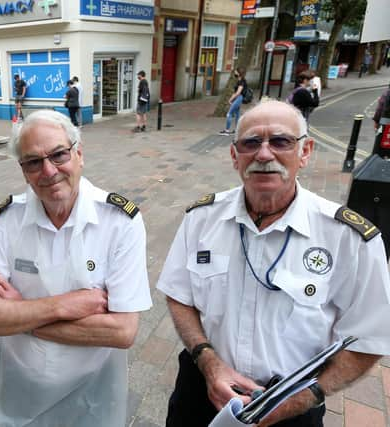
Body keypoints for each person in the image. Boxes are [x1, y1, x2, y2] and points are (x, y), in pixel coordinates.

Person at [156, 100, 390, 427]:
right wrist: (208, 361)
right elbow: (180, 295)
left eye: (281, 142)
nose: (264, 155)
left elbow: (368, 339)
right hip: (202, 387)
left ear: (305, 151)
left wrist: (306, 398)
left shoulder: (349, 239)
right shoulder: (201, 219)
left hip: (294, 404)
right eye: (251, 143)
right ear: (234, 155)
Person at [0, 109, 152, 427]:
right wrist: (66, 305)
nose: (48, 171)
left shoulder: (119, 222)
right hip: (15, 389)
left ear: (79, 153)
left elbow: (123, 331)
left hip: (91, 393)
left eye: (58, 155)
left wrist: (19, 313)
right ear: (23, 171)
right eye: (33, 162)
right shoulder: (7, 221)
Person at [219, 67, 247, 135]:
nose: (234, 73)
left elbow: (238, 92)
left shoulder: (242, 82)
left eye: (235, 72)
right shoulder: (239, 80)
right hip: (238, 98)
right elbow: (235, 93)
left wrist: (231, 99)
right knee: (237, 114)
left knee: (229, 113)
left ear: (239, 73)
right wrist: (231, 99)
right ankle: (237, 130)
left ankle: (227, 130)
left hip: (239, 98)